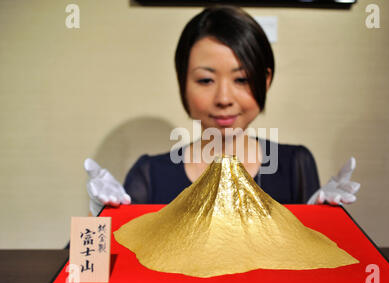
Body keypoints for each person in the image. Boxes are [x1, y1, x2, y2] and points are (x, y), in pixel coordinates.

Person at [84, 5, 360, 217]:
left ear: (264, 81)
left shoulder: (295, 165)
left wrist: (324, 225)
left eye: (241, 79)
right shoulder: (150, 174)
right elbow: (88, 275)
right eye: (205, 80)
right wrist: (101, 221)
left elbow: (314, 279)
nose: (224, 98)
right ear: (183, 83)